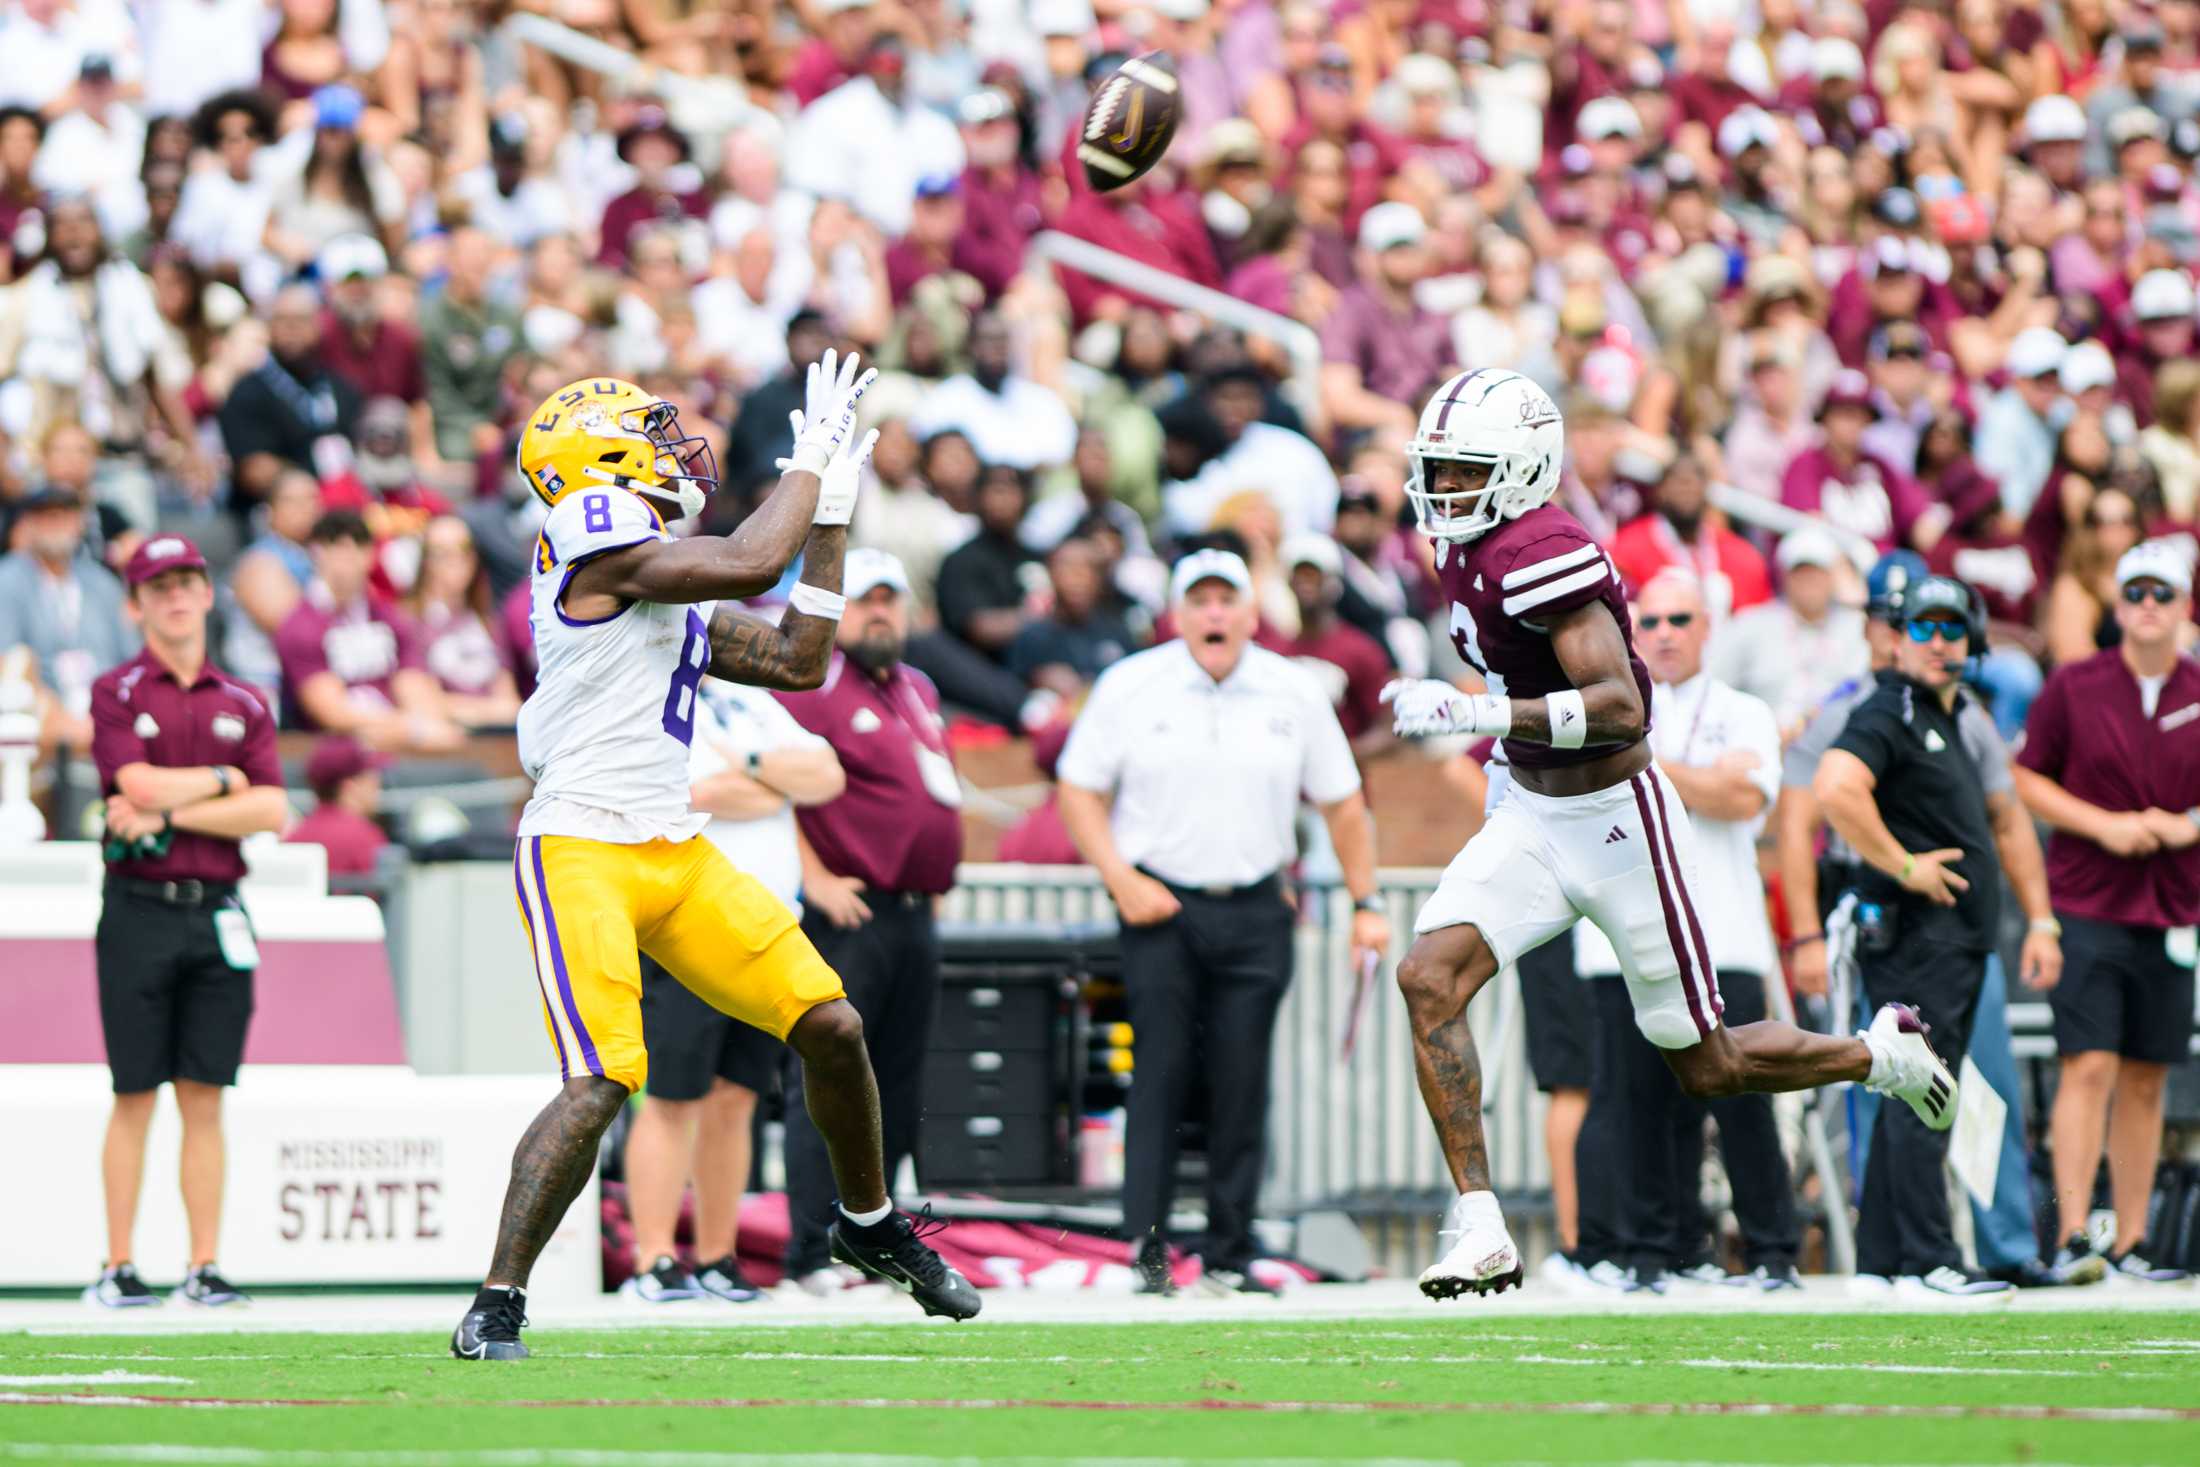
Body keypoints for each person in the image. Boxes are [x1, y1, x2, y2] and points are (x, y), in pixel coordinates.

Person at [1374, 368, 1952, 1302]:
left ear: (1521, 472)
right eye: (1435, 470)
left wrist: (1480, 707)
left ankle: (1879, 1054)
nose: (1440, 491)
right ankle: (1479, 1226)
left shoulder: (1545, 550)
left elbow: (1621, 707)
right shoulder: (1466, 543)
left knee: (1708, 1063)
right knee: (1427, 975)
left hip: (1616, 821)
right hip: (1530, 806)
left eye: (1461, 470)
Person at [451, 357, 981, 1362]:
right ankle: (498, 1299)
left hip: (671, 847)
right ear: (599, 459)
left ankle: (867, 1224)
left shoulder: (658, 579)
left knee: (830, 1022)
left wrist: (827, 519)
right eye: (650, 434)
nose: (675, 448)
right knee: (604, 1077)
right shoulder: (586, 532)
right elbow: (745, 561)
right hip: (581, 843)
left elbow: (798, 660)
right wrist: (807, 470)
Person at [1057, 548, 1389, 1296]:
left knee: (1245, 1078)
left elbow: (1342, 800)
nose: (1213, 613)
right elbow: (1078, 789)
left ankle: (1232, 1248)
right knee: (1161, 1074)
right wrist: (1119, 878)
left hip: (1256, 903)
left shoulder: (1292, 689)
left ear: (1250, 612)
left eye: (1226, 600)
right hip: (1160, 906)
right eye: (1198, 600)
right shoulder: (1130, 685)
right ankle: (1146, 1247)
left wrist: (1367, 903)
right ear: (1178, 613)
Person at [1813, 574, 2063, 1299]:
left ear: (1975, 640)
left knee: (1907, 1089)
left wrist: (2037, 916)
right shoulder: (1891, 707)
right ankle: (1928, 1257)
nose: (1937, 640)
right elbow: (1834, 787)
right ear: (1897, 637)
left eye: (1952, 628)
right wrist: (1904, 864)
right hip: (1921, 940)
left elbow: (2007, 818)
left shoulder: (1957, 715)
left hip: (1948, 943)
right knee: (1928, 1091)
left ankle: (1885, 1259)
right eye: (1922, 627)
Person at [1572, 570, 1800, 1293]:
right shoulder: (1609, 705)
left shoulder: (1743, 709)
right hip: (1623, 936)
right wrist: (1691, 775)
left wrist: (1642, 765)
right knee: (1638, 1101)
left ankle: (1771, 1250)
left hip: (1721, 929)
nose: (1665, 633)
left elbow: (1742, 797)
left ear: (1709, 628)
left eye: (1681, 619)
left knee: (1740, 1093)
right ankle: (1655, 1250)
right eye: (1653, 621)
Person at [83, 534, 288, 1308]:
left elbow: (271, 807)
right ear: (136, 603)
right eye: (158, 584)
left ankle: (203, 1264)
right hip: (137, 909)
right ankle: (117, 1263)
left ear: (207, 594)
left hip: (218, 912)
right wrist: (223, 781)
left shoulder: (244, 700)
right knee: (133, 1090)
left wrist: (175, 799)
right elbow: (130, 779)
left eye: (187, 581)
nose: (175, 595)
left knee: (205, 1093)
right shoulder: (118, 690)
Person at [772, 548, 966, 1294]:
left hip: (913, 912)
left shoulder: (916, 686)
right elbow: (773, 778)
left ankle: (878, 1240)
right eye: (865, 599)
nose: (880, 611)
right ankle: (809, 1249)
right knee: (827, 1078)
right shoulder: (812, 685)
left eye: (891, 598)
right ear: (838, 609)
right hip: (852, 913)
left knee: (900, 1083)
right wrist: (813, 876)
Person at [621, 673, 846, 1305]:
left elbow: (827, 776)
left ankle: (718, 1257)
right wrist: (774, 784)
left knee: (736, 1097)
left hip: (766, 927)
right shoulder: (647, 691)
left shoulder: (751, 699)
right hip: (683, 927)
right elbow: (682, 797)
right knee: (671, 1097)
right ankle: (653, 1258)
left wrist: (749, 770)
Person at [2013, 541, 2200, 1285]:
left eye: (2164, 592)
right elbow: (2027, 778)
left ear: (2185, 605)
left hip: (2172, 907)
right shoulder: (2075, 684)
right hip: (2088, 898)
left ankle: (2132, 1238)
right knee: (2086, 1065)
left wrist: (2189, 823)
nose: (2149, 605)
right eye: (2137, 592)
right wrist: (2104, 824)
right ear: (2117, 605)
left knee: (2148, 1073)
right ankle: (2070, 1234)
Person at [272, 511, 466, 753]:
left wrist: (428, 723)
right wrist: (413, 729)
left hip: (393, 736)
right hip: (330, 749)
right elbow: (331, 713)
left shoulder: (388, 616)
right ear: (316, 551)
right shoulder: (300, 625)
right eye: (335, 546)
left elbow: (413, 683)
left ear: (370, 554)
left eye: (358, 545)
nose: (347, 556)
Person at [0, 486, 136, 752]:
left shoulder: (102, 582)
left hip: (107, 705)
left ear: (79, 523)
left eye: (63, 515)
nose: (55, 524)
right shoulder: (7, 579)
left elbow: (131, 657)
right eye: (45, 517)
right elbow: (10, 661)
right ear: (28, 525)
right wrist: (57, 715)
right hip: (44, 710)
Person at [1708, 525, 1870, 734]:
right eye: (1800, 573)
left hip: (1835, 743)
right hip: (1761, 741)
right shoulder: (1751, 625)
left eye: (1817, 573)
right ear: (1785, 576)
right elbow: (1714, 685)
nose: (1810, 582)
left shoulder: (1856, 628)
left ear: (1832, 577)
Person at [283, 736, 389, 877]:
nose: (378, 784)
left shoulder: (295, 835)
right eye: (371, 776)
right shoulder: (365, 836)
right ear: (350, 786)